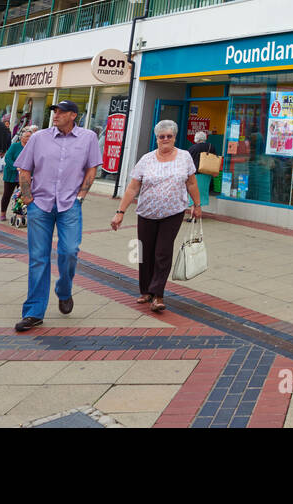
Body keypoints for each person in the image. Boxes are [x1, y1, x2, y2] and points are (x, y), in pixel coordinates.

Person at [12, 101, 102, 332]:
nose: (56, 115)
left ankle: (64, 290)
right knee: (38, 258)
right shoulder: (39, 137)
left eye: (61, 112)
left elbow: (92, 168)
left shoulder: (88, 137)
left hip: (70, 204)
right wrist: (27, 196)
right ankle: (33, 312)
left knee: (69, 251)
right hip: (39, 205)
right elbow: (24, 167)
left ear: (73, 115)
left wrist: (81, 195)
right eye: (54, 111)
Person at [111, 120, 201, 313]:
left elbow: (192, 183)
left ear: (175, 137)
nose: (165, 139)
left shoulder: (185, 157)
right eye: (162, 136)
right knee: (145, 252)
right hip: (146, 213)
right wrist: (120, 212)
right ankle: (146, 291)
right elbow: (133, 187)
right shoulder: (147, 159)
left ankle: (158, 294)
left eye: (169, 136)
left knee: (163, 252)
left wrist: (197, 205)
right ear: (157, 138)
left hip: (173, 212)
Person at [0, 125, 37, 221]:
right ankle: (3, 213)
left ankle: (19, 214)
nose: (28, 138)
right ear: (21, 137)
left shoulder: (32, 148)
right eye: (26, 136)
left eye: (30, 136)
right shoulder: (15, 146)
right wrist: (16, 167)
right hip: (12, 175)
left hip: (25, 176)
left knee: (22, 195)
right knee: (7, 195)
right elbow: (8, 158)